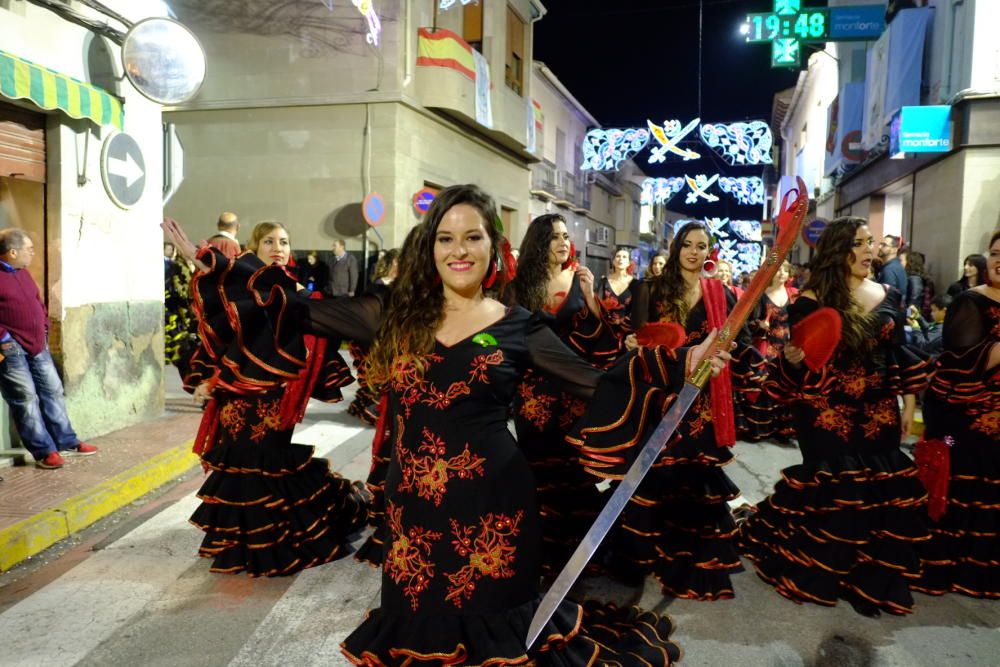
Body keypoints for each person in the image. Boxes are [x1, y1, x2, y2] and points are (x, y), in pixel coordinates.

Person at [164, 186, 729, 664]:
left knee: (496, 633)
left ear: (494, 248)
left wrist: (683, 361)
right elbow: (287, 308)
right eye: (446, 238)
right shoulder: (391, 314)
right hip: (414, 505)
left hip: (496, 504)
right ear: (430, 247)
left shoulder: (521, 327)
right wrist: (219, 269)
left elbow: (600, 382)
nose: (459, 250)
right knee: (420, 629)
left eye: (473, 237)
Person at [740, 217, 934, 617]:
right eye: (859, 243)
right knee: (839, 494)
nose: (869, 250)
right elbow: (800, 362)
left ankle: (867, 578)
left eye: (871, 243)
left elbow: (897, 353)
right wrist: (793, 360)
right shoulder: (812, 298)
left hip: (878, 409)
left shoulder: (890, 294)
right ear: (838, 249)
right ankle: (827, 574)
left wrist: (909, 408)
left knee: (878, 492)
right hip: (825, 411)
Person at [175, 220, 368, 577]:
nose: (278, 247)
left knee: (264, 466)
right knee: (240, 467)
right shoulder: (240, 290)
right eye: (269, 241)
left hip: (273, 400)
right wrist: (209, 378)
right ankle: (246, 545)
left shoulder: (290, 291)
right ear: (254, 248)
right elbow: (219, 325)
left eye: (284, 241)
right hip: (236, 400)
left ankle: (276, 543)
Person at [616, 221, 763, 600]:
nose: (695, 252)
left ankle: (689, 558)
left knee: (696, 477)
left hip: (704, 401)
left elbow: (740, 340)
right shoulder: (652, 289)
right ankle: (648, 556)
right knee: (656, 475)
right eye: (688, 245)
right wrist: (631, 341)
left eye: (702, 246)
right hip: (662, 396)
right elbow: (634, 335)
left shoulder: (720, 294)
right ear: (677, 248)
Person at [505, 213, 615, 577]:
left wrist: (588, 296)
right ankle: (542, 551)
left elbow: (601, 336)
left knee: (572, 466)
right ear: (540, 242)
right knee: (537, 467)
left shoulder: (579, 278)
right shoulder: (521, 284)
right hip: (532, 391)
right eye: (554, 237)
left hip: (570, 389)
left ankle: (580, 553)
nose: (563, 242)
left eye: (566, 236)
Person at [915, 230, 1000, 600]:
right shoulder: (971, 301)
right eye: (996, 253)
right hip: (972, 418)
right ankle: (954, 569)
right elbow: (962, 357)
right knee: (970, 488)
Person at [0, 229, 97, 469]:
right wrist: (4, 338)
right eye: (28, 249)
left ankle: (66, 440)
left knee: (52, 390)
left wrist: (43, 325)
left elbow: (36, 301)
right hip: (11, 347)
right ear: (12, 252)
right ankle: (44, 451)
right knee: (25, 397)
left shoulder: (22, 274)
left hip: (37, 344)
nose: (32, 253)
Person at [748, 260, 797, 443]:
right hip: (767, 348)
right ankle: (764, 428)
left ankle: (783, 429)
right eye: (778, 270)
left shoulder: (793, 295)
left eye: (785, 270)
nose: (782, 273)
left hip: (787, 346)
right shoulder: (761, 295)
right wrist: (760, 325)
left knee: (786, 385)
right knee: (766, 385)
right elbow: (750, 323)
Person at [900, 248, 933, 317]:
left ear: (910, 262)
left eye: (901, 261)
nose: (899, 263)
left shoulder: (914, 279)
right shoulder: (911, 278)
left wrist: (908, 316)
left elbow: (914, 300)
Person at [877, 235, 907, 303]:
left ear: (894, 249)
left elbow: (888, 300)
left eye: (884, 245)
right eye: (880, 244)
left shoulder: (889, 270)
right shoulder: (897, 265)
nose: (879, 247)